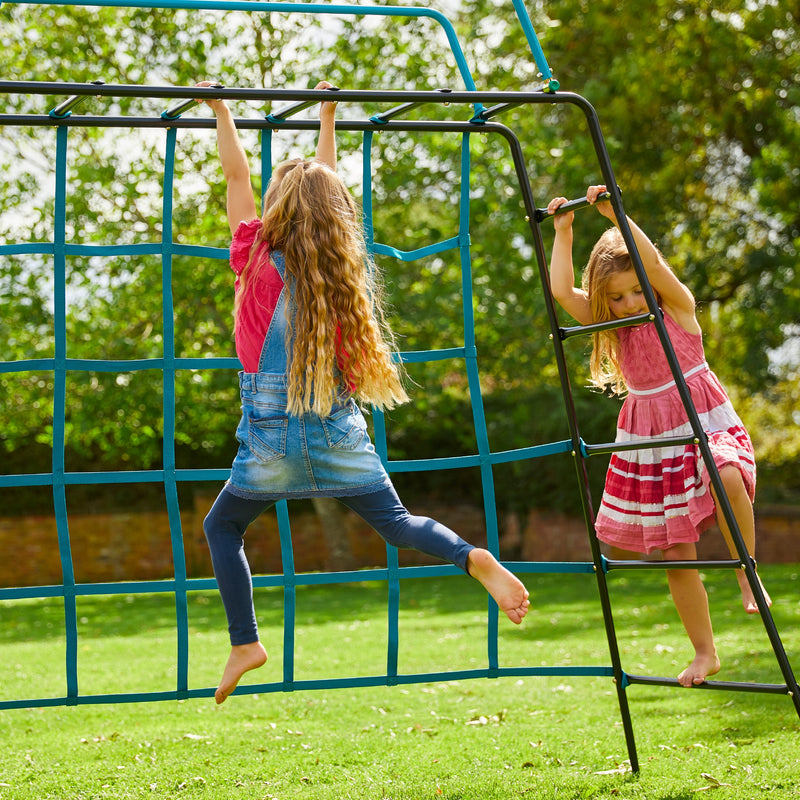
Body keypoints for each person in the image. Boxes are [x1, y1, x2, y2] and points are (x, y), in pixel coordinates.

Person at [195, 80, 530, 704]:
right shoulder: (339, 264)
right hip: (336, 431)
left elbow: (235, 173)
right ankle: (471, 557)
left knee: (223, 529)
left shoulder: (256, 252)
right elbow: (327, 183)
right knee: (400, 526)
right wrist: (328, 114)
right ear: (336, 215)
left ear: (275, 213)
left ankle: (245, 640)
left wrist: (222, 111)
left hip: (270, 437)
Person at [546, 185, 771, 688]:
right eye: (617, 297)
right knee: (674, 552)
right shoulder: (616, 326)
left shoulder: (677, 310)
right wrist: (564, 232)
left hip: (703, 420)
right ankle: (704, 652)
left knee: (727, 473)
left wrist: (618, 217)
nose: (628, 303)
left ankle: (746, 571)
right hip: (652, 437)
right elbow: (563, 294)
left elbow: (656, 268)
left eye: (634, 292)